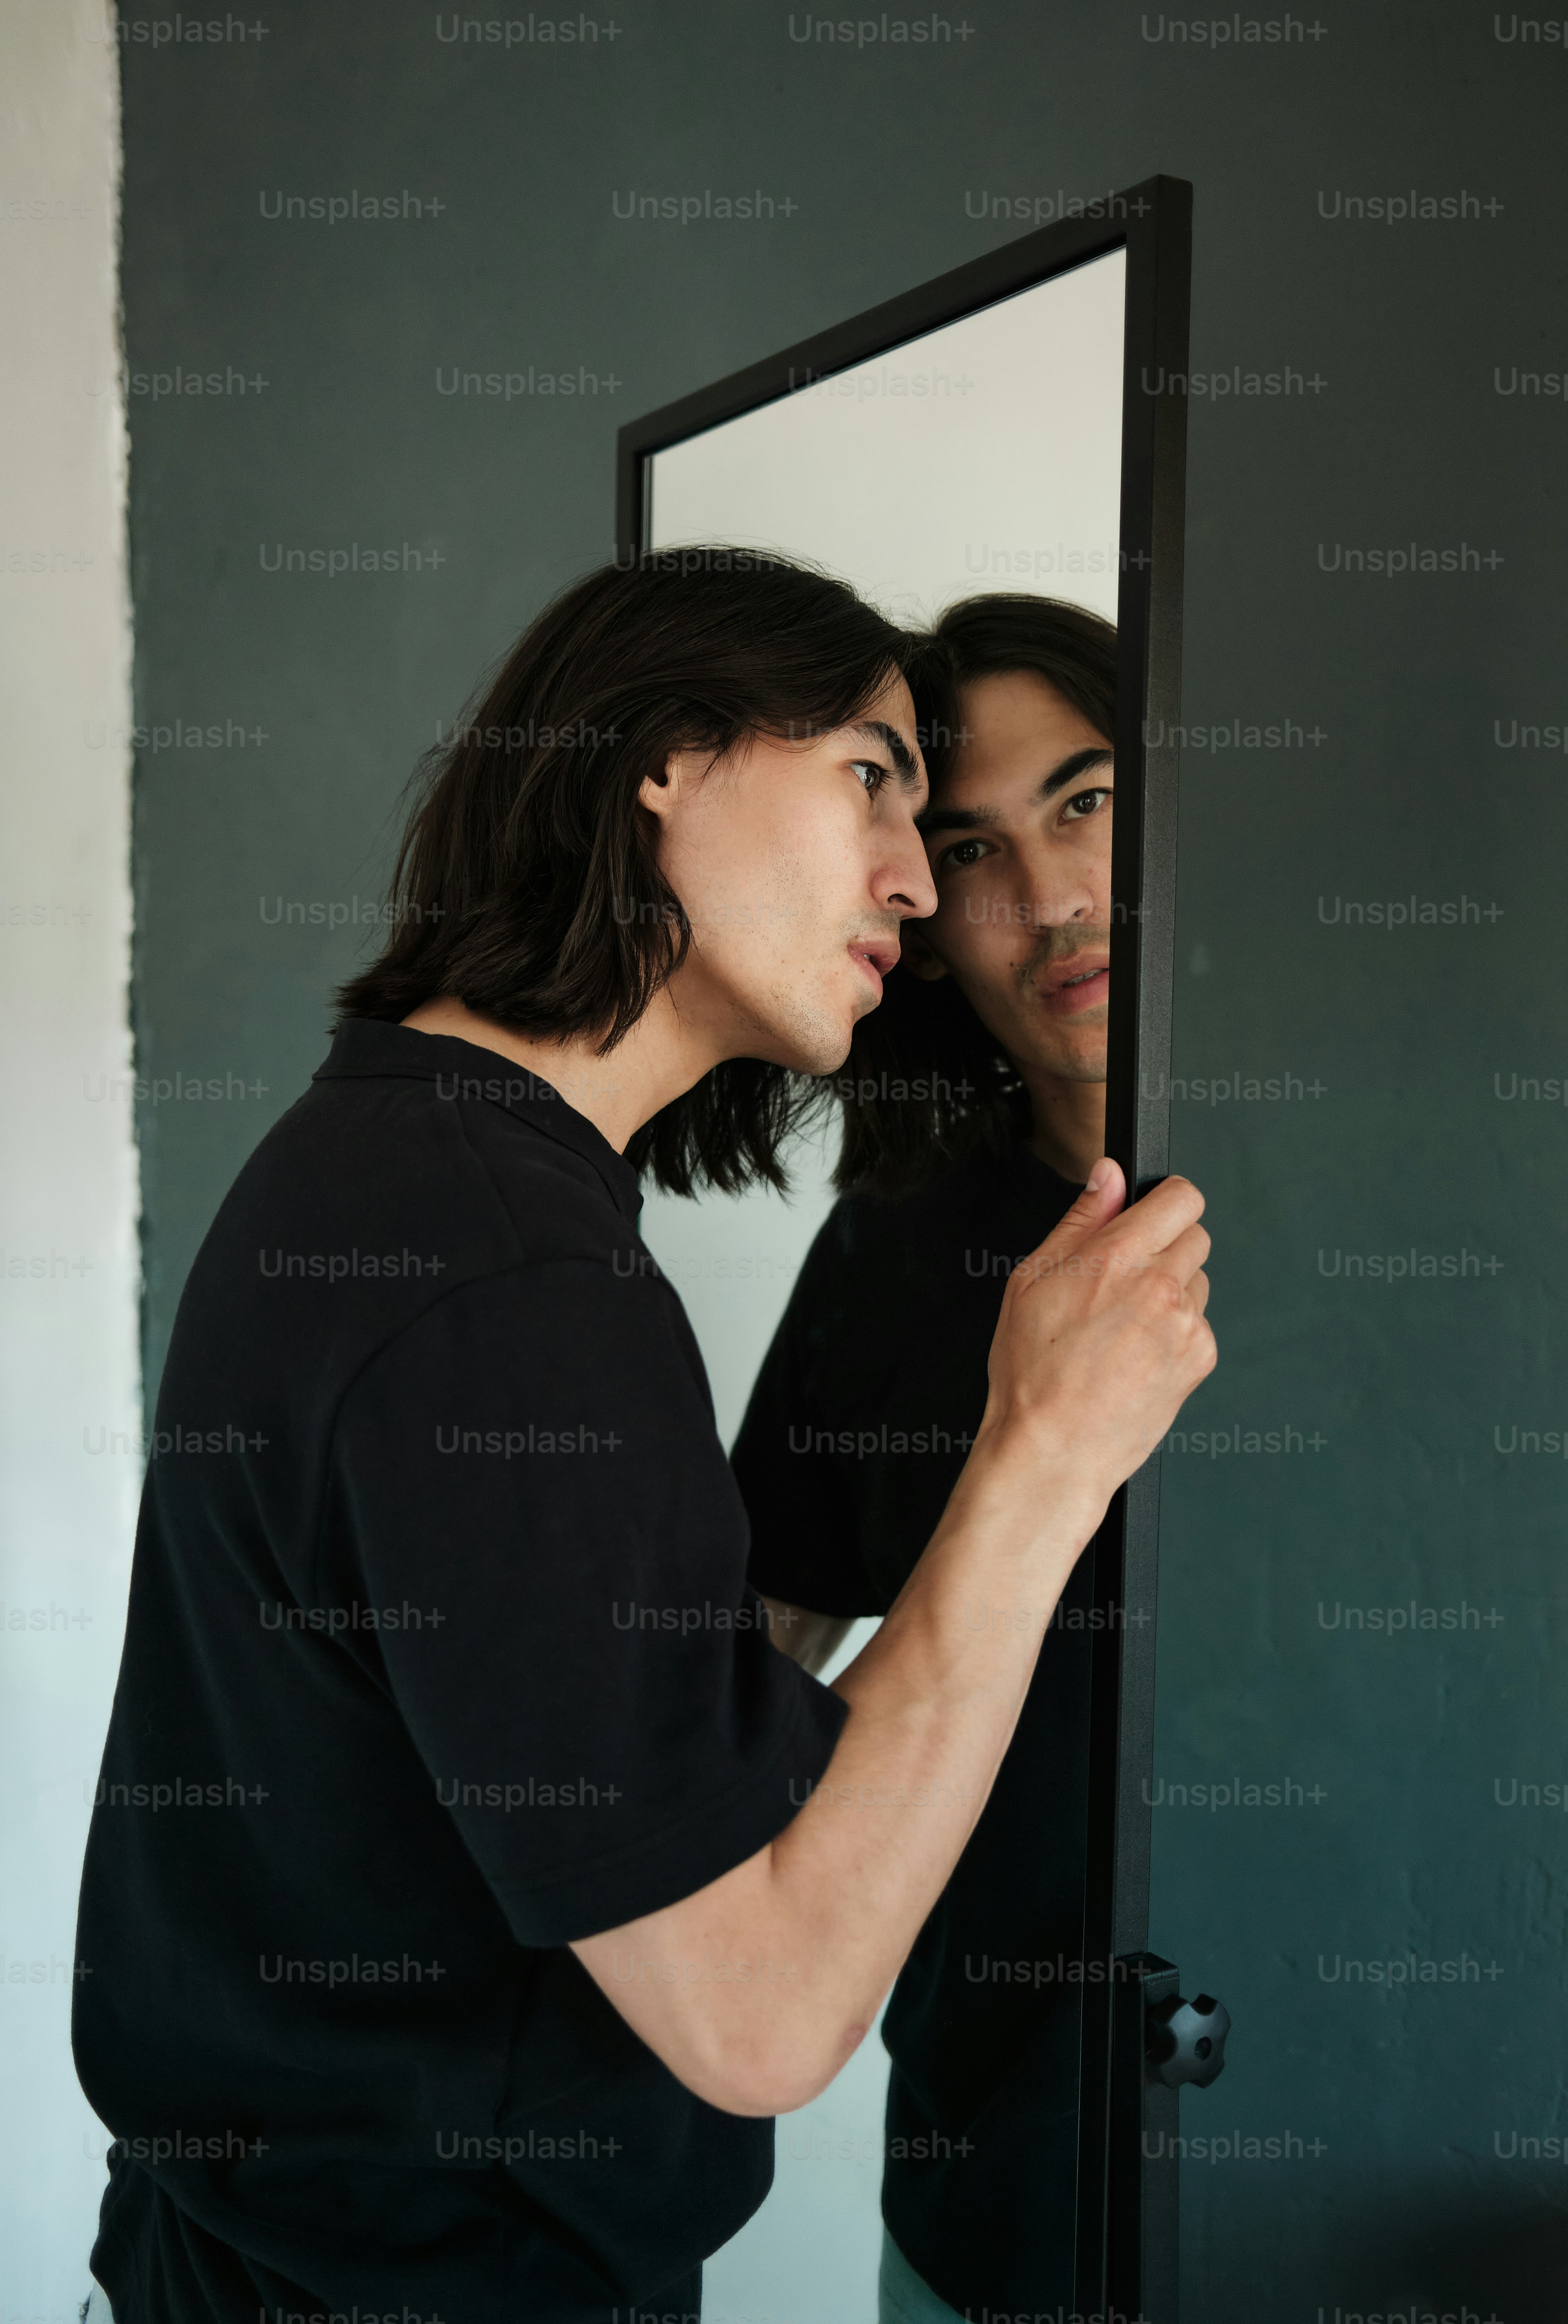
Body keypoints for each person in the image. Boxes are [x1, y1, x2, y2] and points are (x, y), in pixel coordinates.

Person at [72, 555, 1213, 2324]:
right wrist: (1041, 1454)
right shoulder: (502, 1278)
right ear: (664, 760)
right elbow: (761, 2012)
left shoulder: (419, 1179)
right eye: (874, 780)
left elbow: (677, 1749)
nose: (916, 881)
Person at [734, 592, 1128, 2324]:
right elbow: (742, 1674)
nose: (1046, 901)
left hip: (1375, 2159)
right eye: (970, 848)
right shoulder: (897, 1248)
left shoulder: (1416, 1209)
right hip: (991, 2198)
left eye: (1087, 802)